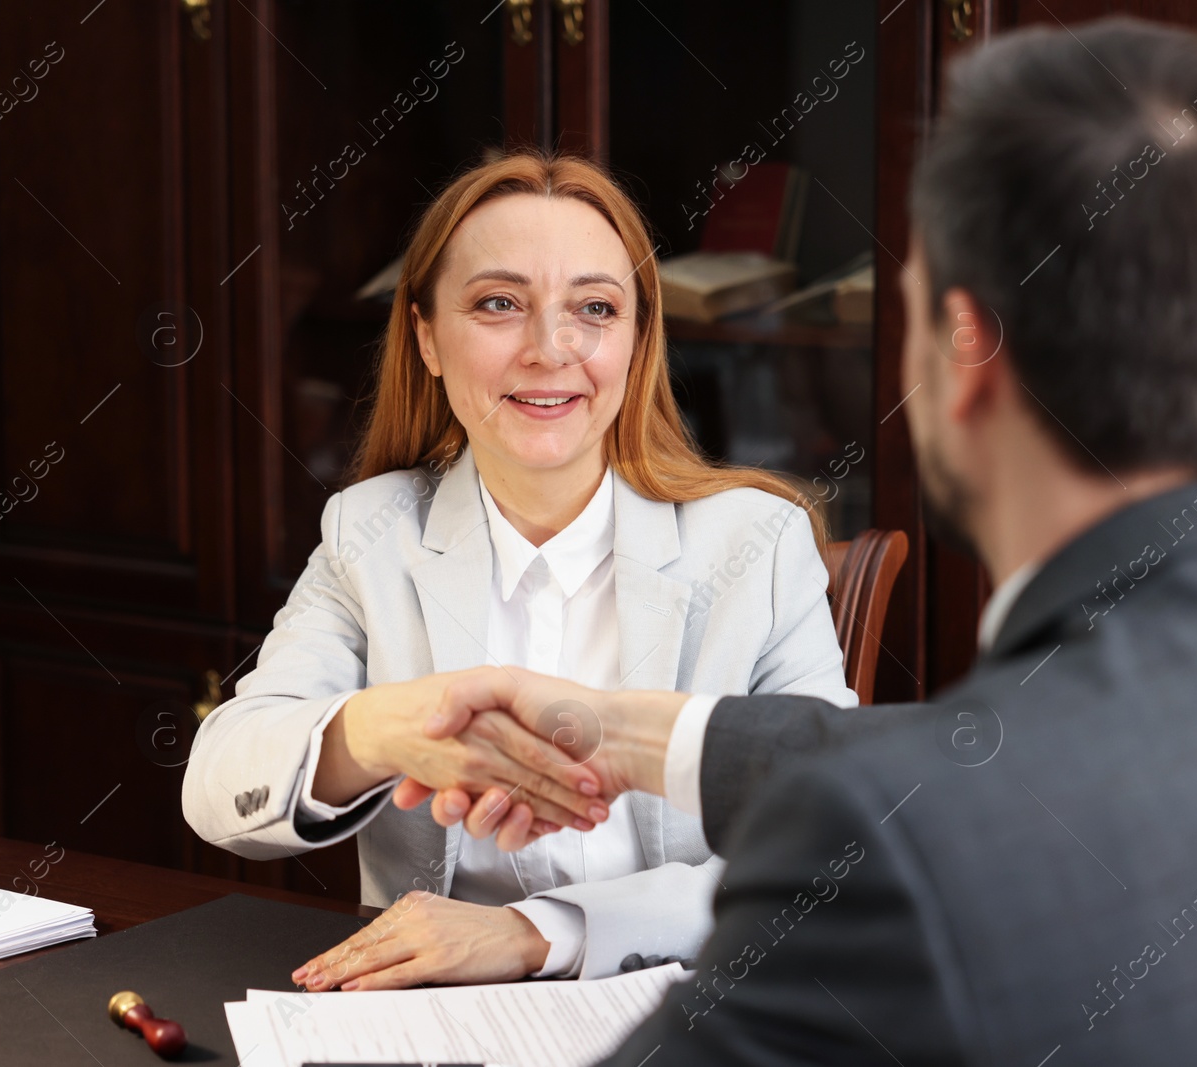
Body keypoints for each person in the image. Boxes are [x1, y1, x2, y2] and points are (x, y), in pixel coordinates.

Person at [390, 17, 1197, 1064]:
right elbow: (1028, 766)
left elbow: (961, 800)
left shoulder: (897, 863)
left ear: (961, 349)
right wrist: (624, 731)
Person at [180, 152, 858, 991]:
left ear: (638, 339)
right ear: (427, 336)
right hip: (436, 1024)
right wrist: (388, 727)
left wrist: (541, 932)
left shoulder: (759, 544)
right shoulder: (372, 532)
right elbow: (217, 786)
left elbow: (830, 846)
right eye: (500, 304)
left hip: (687, 1013)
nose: (550, 348)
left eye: (595, 308)